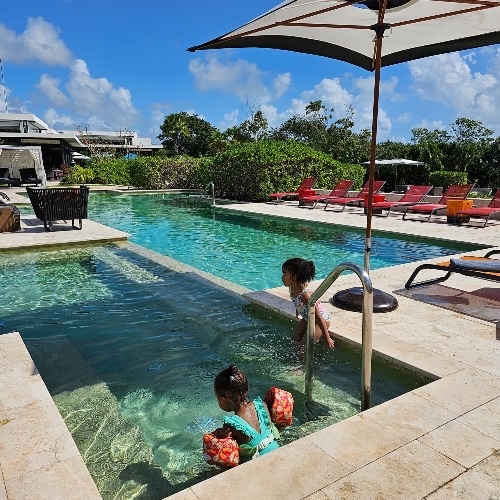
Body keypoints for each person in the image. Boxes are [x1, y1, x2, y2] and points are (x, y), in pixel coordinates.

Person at [212, 364, 280, 463]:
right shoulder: (262, 405)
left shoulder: (230, 425)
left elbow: (227, 458)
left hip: (260, 465)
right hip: (278, 452)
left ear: (224, 399)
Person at [281, 257, 335, 348]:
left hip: (320, 321)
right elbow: (297, 301)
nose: (282, 277)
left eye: (284, 274)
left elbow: (319, 317)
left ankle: (302, 362)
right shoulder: (292, 286)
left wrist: (327, 337)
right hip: (308, 318)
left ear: (294, 277)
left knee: (303, 348)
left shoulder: (306, 296)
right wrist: (298, 310)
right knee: (293, 341)